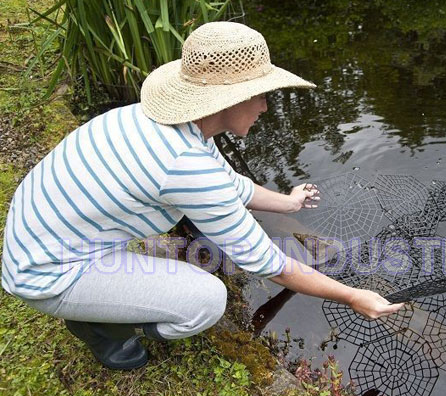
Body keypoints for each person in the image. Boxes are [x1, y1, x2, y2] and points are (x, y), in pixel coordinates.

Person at [0, 22, 404, 370]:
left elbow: (228, 184)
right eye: (260, 95)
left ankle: (98, 306)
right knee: (207, 302)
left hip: (41, 233)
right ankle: (101, 326)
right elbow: (269, 263)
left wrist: (289, 201)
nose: (265, 106)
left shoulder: (176, 124)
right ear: (229, 100)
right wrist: (353, 295)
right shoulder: (185, 165)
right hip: (47, 271)